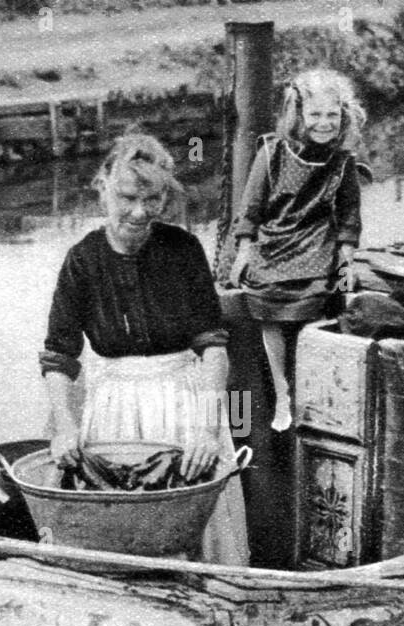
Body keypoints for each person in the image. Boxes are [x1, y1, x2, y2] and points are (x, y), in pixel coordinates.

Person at [40, 133, 250, 565]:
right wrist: (64, 425)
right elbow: (60, 356)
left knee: (196, 529)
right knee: (116, 532)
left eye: (152, 199)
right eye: (127, 197)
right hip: (115, 408)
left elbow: (212, 347)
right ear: (103, 188)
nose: (140, 212)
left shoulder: (184, 250)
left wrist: (206, 429)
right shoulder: (82, 260)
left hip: (183, 404)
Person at [230, 68, 367, 431]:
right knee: (268, 310)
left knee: (321, 301)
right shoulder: (271, 154)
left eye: (332, 116)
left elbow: (350, 214)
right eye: (316, 115)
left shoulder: (342, 162)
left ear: (344, 116)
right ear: (299, 115)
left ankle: (314, 392)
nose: (324, 123)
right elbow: (251, 208)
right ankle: (282, 392)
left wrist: (346, 258)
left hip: (317, 241)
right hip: (275, 243)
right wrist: (244, 252)